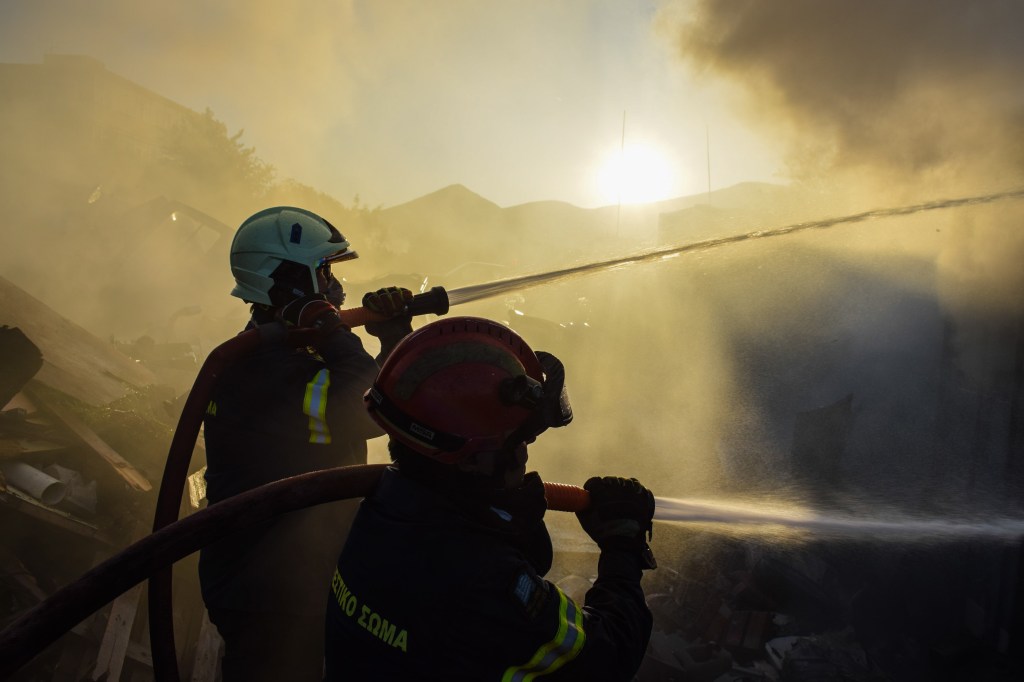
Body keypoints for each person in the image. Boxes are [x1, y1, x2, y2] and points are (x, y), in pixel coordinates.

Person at [324, 316, 657, 681]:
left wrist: (515, 511)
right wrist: (622, 548)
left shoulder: (382, 508)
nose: (525, 454)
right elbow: (606, 658)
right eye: (519, 441)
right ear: (469, 460)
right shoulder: (483, 581)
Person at [198, 206, 414, 681]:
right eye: (324, 272)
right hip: (267, 592)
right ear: (289, 283)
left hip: (299, 577)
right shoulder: (256, 369)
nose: (336, 287)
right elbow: (361, 409)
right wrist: (334, 331)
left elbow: (378, 399)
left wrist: (395, 339)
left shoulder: (289, 352)